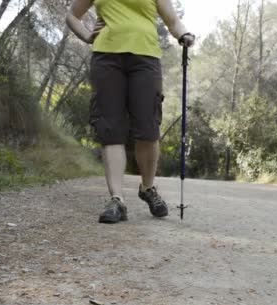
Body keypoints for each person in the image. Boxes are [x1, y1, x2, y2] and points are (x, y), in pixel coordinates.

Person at [66, 0, 195, 224]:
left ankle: (148, 188)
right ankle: (117, 200)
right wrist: (87, 35)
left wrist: (184, 34)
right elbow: (72, 15)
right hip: (106, 58)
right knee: (110, 129)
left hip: (146, 59)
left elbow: (172, 20)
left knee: (148, 128)